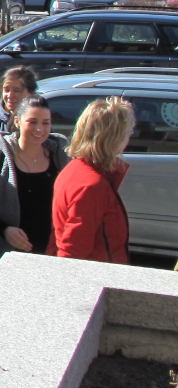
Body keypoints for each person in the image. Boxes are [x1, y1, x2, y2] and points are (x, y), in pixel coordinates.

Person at [0, 94, 66, 266]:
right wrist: (4, 230)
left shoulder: (59, 157)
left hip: (49, 255)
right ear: (17, 122)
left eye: (45, 123)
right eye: (32, 122)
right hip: (6, 257)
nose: (39, 129)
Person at [51, 96, 135, 264]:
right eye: (128, 131)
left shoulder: (75, 169)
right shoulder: (91, 185)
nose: (131, 136)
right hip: (97, 280)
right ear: (114, 138)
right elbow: (72, 252)